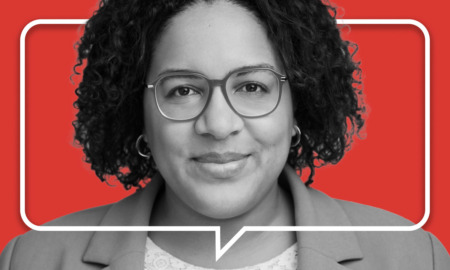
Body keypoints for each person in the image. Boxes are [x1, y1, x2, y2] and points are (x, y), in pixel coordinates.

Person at [1, 0, 449, 269]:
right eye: (183, 90)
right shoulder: (31, 259)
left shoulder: (413, 256)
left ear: (299, 107)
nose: (217, 124)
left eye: (252, 87)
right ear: (138, 113)